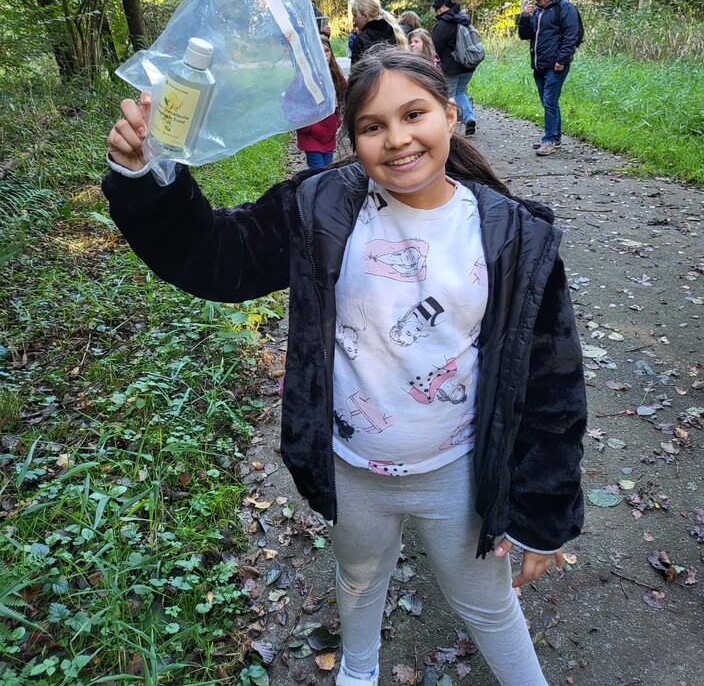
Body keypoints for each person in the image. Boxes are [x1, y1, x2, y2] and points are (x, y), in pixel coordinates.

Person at [104, 48, 586, 686]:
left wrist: (543, 519)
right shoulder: (321, 208)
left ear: (448, 113)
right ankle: (358, 668)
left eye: (414, 114)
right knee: (360, 577)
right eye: (372, 126)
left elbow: (553, 385)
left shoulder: (513, 235)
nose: (397, 139)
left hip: (459, 475)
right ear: (351, 138)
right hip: (351, 469)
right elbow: (218, 257)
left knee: (489, 602)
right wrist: (146, 177)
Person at [517, 0, 580, 156]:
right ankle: (555, 137)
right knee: (548, 102)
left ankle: (549, 140)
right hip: (539, 64)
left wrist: (561, 59)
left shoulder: (565, 7)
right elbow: (525, 35)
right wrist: (524, 17)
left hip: (556, 65)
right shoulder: (537, 11)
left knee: (549, 101)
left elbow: (571, 35)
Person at [296, 35, 347, 168]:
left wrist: (336, 121)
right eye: (319, 51)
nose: (324, 55)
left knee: (327, 170)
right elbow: (293, 103)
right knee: (318, 173)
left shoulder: (336, 75)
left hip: (329, 134)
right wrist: (307, 126)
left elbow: (343, 98)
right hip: (311, 135)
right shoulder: (304, 77)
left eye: (327, 51)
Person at [431, 0, 477, 136]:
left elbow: (435, 45)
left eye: (437, 9)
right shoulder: (463, 19)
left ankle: (448, 127)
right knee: (461, 92)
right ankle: (469, 118)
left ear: (443, 7)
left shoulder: (443, 24)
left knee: (450, 96)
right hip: (469, 64)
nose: (436, 12)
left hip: (451, 67)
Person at [349, 0, 407, 64]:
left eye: (355, 15)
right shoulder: (394, 33)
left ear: (365, 16)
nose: (354, 20)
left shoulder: (361, 40)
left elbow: (356, 73)